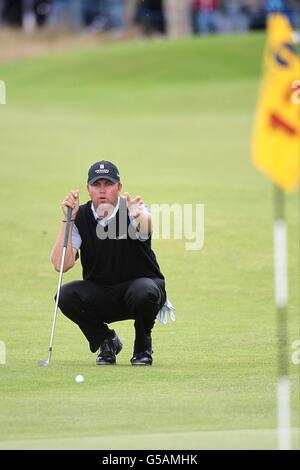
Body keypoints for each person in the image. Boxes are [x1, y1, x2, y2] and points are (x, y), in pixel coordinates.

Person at [51, 161, 174, 366]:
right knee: (65, 295)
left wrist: (138, 215)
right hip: (102, 294)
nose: (102, 190)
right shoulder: (80, 216)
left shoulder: (134, 209)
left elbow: (146, 225)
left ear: (119, 187)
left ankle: (143, 346)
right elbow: (61, 265)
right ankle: (106, 341)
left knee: (145, 290)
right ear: (87, 188)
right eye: (96, 184)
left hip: (140, 291)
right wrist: (68, 220)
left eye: (108, 184)